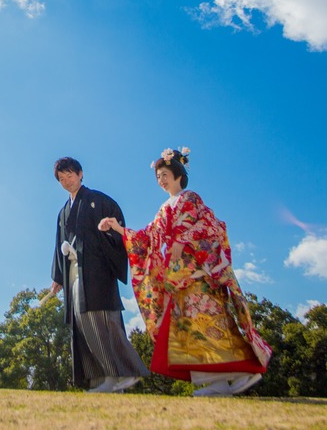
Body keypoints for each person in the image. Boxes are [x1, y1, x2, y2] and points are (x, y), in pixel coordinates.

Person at [99, 147, 271, 397]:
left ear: (179, 174)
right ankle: (216, 383)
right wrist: (117, 228)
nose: (161, 179)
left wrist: (184, 238)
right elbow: (147, 237)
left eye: (165, 173)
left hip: (198, 274)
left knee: (211, 323)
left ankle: (241, 370)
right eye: (158, 176)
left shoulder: (190, 198)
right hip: (176, 278)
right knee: (190, 330)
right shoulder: (162, 209)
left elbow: (211, 224)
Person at [49, 156, 148, 393]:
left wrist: (109, 229)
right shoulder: (62, 213)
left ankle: (124, 372)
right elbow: (58, 246)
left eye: (70, 175)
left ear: (81, 174)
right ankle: (99, 379)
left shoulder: (98, 200)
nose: (66, 181)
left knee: (102, 320)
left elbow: (117, 227)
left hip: (96, 272)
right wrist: (57, 277)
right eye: (62, 179)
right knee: (82, 324)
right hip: (73, 272)